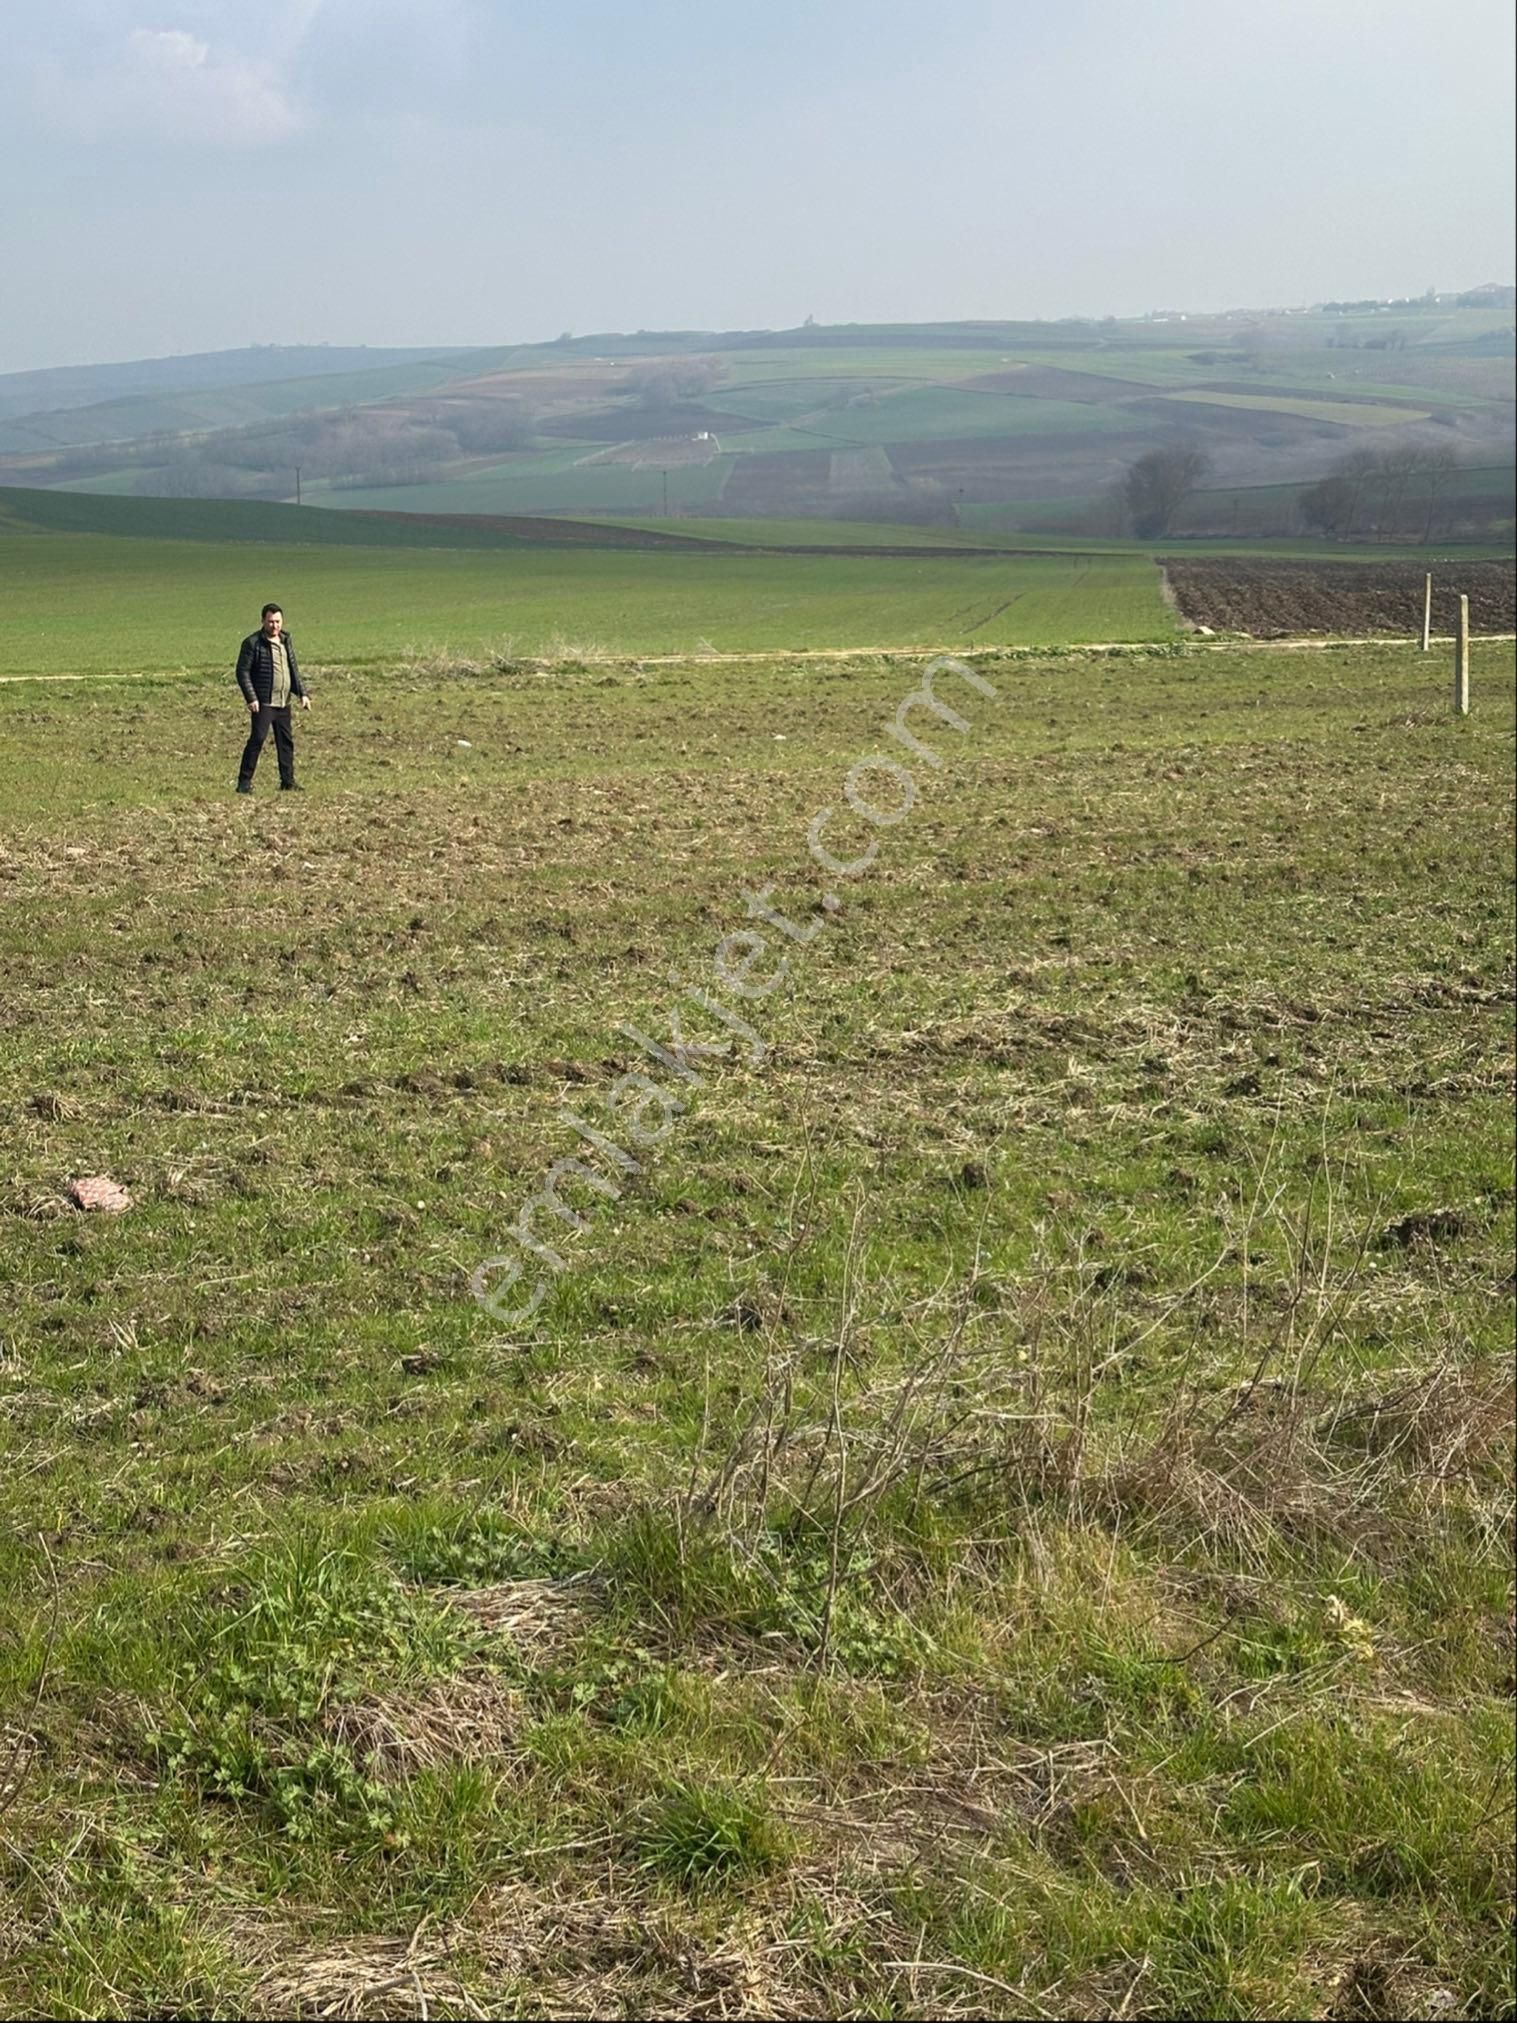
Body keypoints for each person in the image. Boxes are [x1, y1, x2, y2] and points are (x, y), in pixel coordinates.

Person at [235, 603, 310, 793]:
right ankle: (244, 783)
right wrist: (251, 698)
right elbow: (242, 672)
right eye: (270, 622)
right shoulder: (252, 643)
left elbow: (292, 669)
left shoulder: (286, 640)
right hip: (263, 702)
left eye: (277, 621)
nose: (274, 626)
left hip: (283, 701)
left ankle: (287, 782)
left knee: (285, 742)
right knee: (258, 739)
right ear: (263, 621)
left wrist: (303, 693)